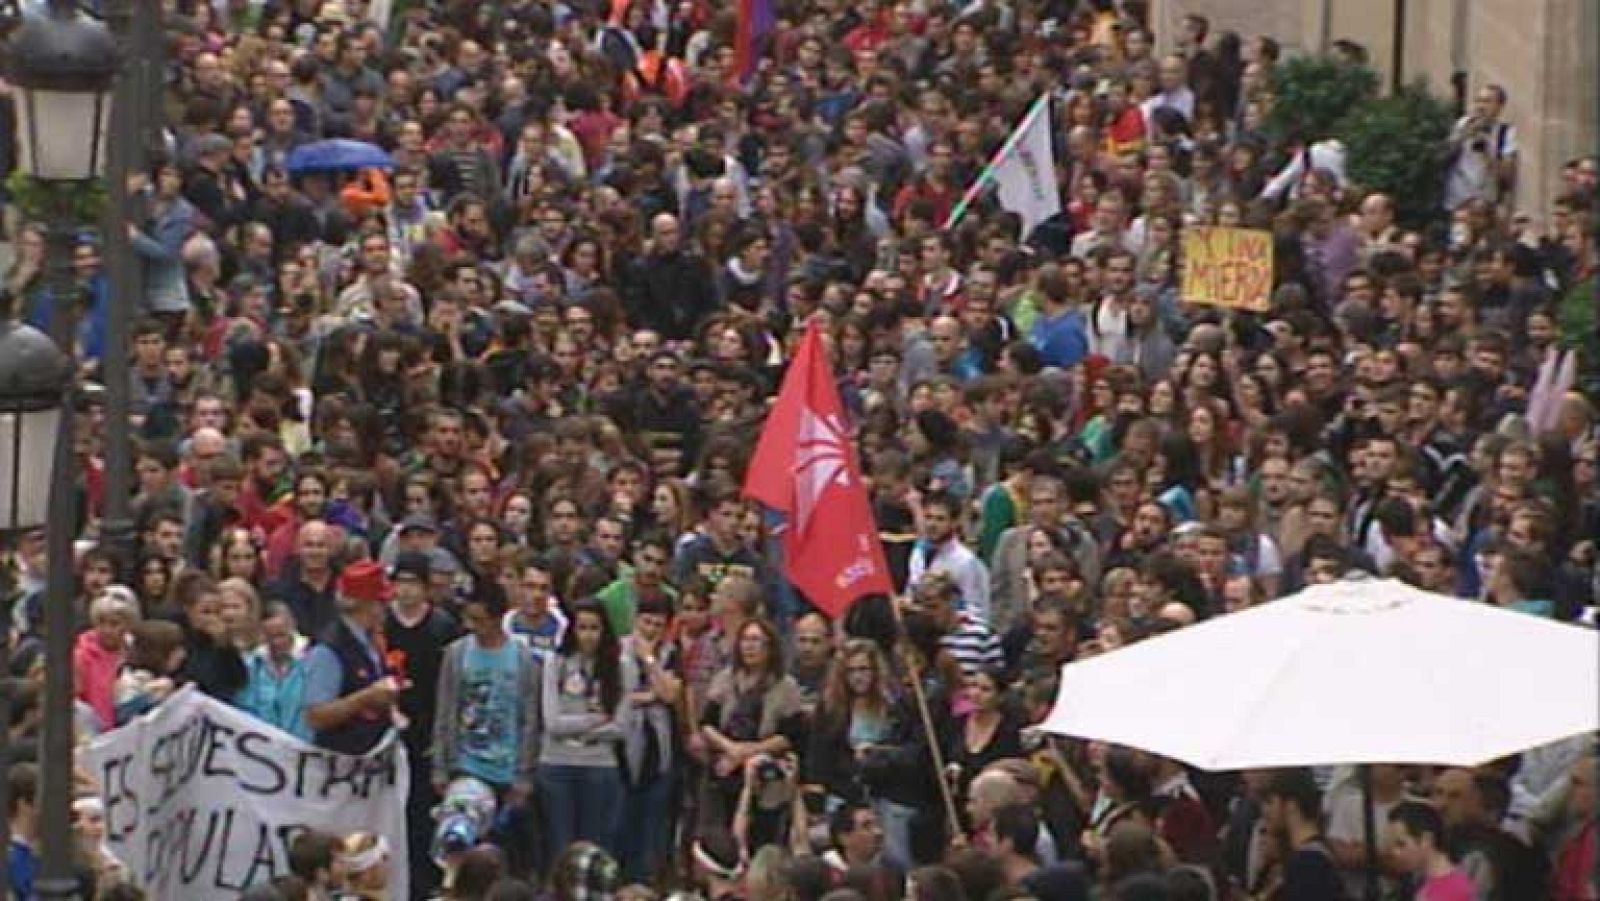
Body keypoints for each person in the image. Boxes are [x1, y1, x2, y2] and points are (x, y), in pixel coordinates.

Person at [433, 584, 543, 871]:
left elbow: (529, 719)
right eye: (469, 619)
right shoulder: (457, 654)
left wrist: (524, 774)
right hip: (466, 764)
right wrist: (441, 766)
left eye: (479, 620)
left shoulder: (522, 658)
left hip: (506, 767)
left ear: (497, 618)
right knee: (457, 848)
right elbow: (446, 710)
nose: (473, 626)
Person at [539, 599, 633, 859]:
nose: (588, 635)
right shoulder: (555, 662)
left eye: (594, 628)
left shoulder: (621, 666)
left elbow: (620, 727)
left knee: (596, 848)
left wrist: (583, 729)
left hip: (600, 765)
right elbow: (552, 723)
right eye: (582, 628)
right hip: (557, 763)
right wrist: (594, 720)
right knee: (561, 847)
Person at [303, 560, 405, 754]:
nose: (387, 608)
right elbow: (315, 716)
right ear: (366, 603)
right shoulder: (328, 650)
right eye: (382, 602)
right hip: (340, 765)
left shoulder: (371, 640)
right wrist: (365, 698)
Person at [1388, 800, 1477, 901]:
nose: (1395, 852)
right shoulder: (1415, 881)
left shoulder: (1453, 889)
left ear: (1426, 839)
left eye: (1401, 844)